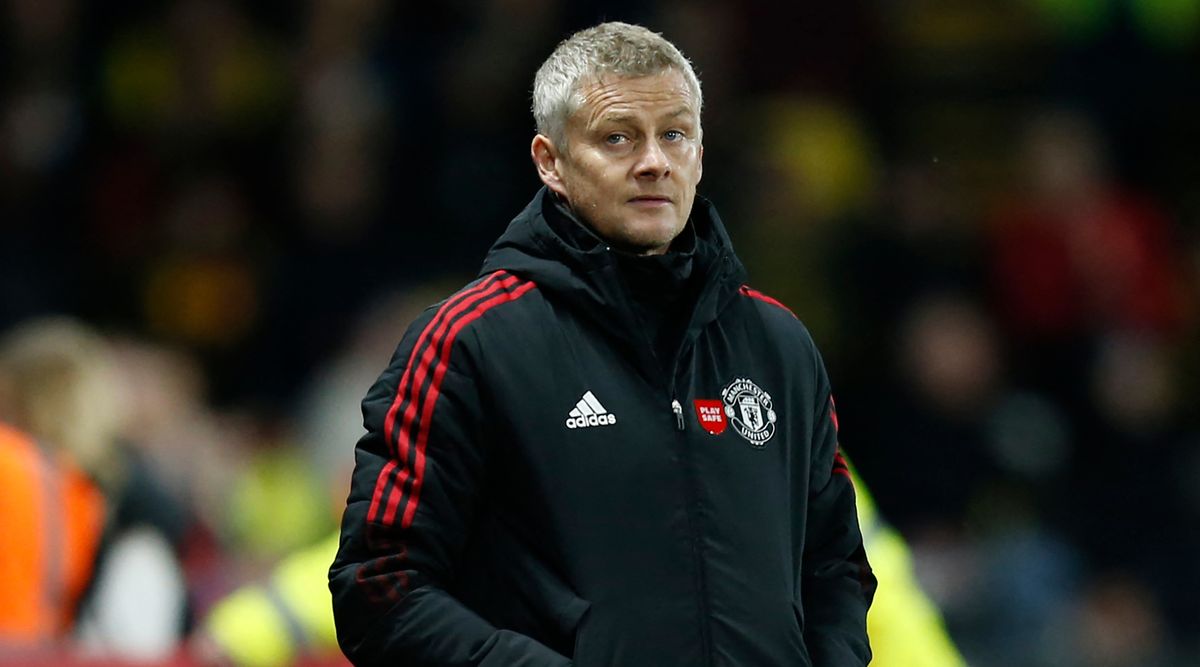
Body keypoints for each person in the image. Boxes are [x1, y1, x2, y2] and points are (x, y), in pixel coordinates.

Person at [330, 21, 875, 666]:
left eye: (675, 134)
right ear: (550, 162)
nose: (653, 161)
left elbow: (836, 563)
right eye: (617, 138)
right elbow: (380, 586)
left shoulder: (779, 344)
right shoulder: (469, 342)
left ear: (700, 152)